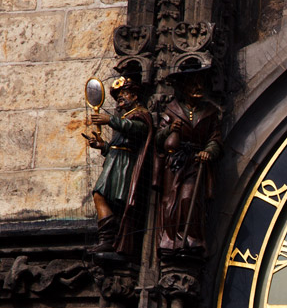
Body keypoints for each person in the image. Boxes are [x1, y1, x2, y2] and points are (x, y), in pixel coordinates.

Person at [156, 64, 223, 254]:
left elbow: (215, 139)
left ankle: (192, 239)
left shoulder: (209, 112)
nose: (198, 87)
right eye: (193, 84)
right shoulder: (172, 110)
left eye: (201, 84)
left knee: (188, 197)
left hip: (195, 162)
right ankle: (170, 241)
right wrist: (170, 129)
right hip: (175, 163)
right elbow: (158, 140)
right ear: (184, 88)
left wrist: (208, 152)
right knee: (171, 201)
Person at [84, 76, 153, 255]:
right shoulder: (123, 116)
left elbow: (138, 129)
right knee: (101, 196)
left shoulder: (140, 114)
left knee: (107, 198)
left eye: (125, 94)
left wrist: (110, 120)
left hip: (125, 164)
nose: (121, 98)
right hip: (115, 159)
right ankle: (108, 239)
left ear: (135, 96)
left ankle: (111, 240)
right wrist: (102, 146)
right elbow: (119, 142)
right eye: (119, 95)